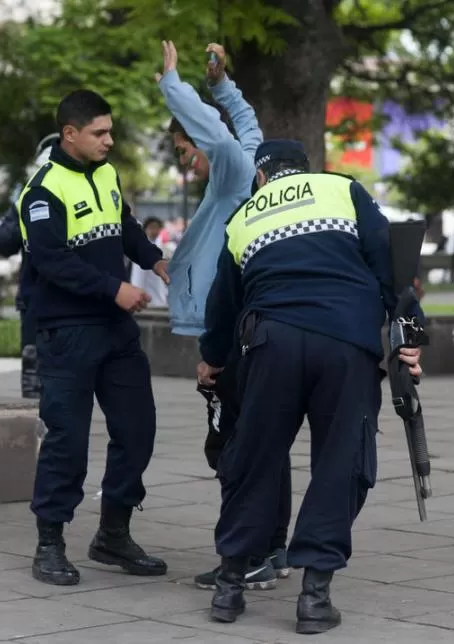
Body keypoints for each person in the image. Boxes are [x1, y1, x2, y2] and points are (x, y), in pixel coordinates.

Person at [197, 139, 423, 634]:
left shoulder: (244, 216)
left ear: (261, 177)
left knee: (254, 457)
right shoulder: (341, 190)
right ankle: (314, 598)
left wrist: (212, 361)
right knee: (340, 461)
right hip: (344, 340)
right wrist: (411, 337)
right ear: (305, 170)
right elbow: (392, 266)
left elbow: (223, 304)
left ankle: (230, 587)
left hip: (270, 342)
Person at [17, 89, 171, 586]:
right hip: (68, 331)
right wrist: (114, 289)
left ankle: (113, 534)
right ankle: (50, 543)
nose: (110, 140)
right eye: (100, 133)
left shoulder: (106, 174)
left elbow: (123, 226)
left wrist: (154, 259)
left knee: (138, 429)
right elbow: (52, 260)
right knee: (68, 440)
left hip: (114, 331)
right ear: (70, 134)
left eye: (110, 130)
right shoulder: (41, 192)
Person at [154, 40, 289, 589]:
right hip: (248, 325)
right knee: (261, 441)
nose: (188, 163)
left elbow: (219, 130)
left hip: (233, 334)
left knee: (233, 447)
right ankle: (271, 547)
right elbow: (245, 120)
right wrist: (222, 83)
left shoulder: (233, 168)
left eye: (186, 152)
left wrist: (174, 84)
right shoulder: (246, 161)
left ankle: (245, 553)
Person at [0, 133, 58, 398]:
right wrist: (25, 206)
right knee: (35, 377)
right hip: (37, 302)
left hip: (75, 303)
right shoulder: (29, 199)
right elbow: (4, 241)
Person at [128, 217, 170, 307]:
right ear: (145, 229)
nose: (154, 231)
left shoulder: (164, 249)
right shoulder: (137, 250)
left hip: (158, 296)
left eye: (156, 228)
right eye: (151, 227)